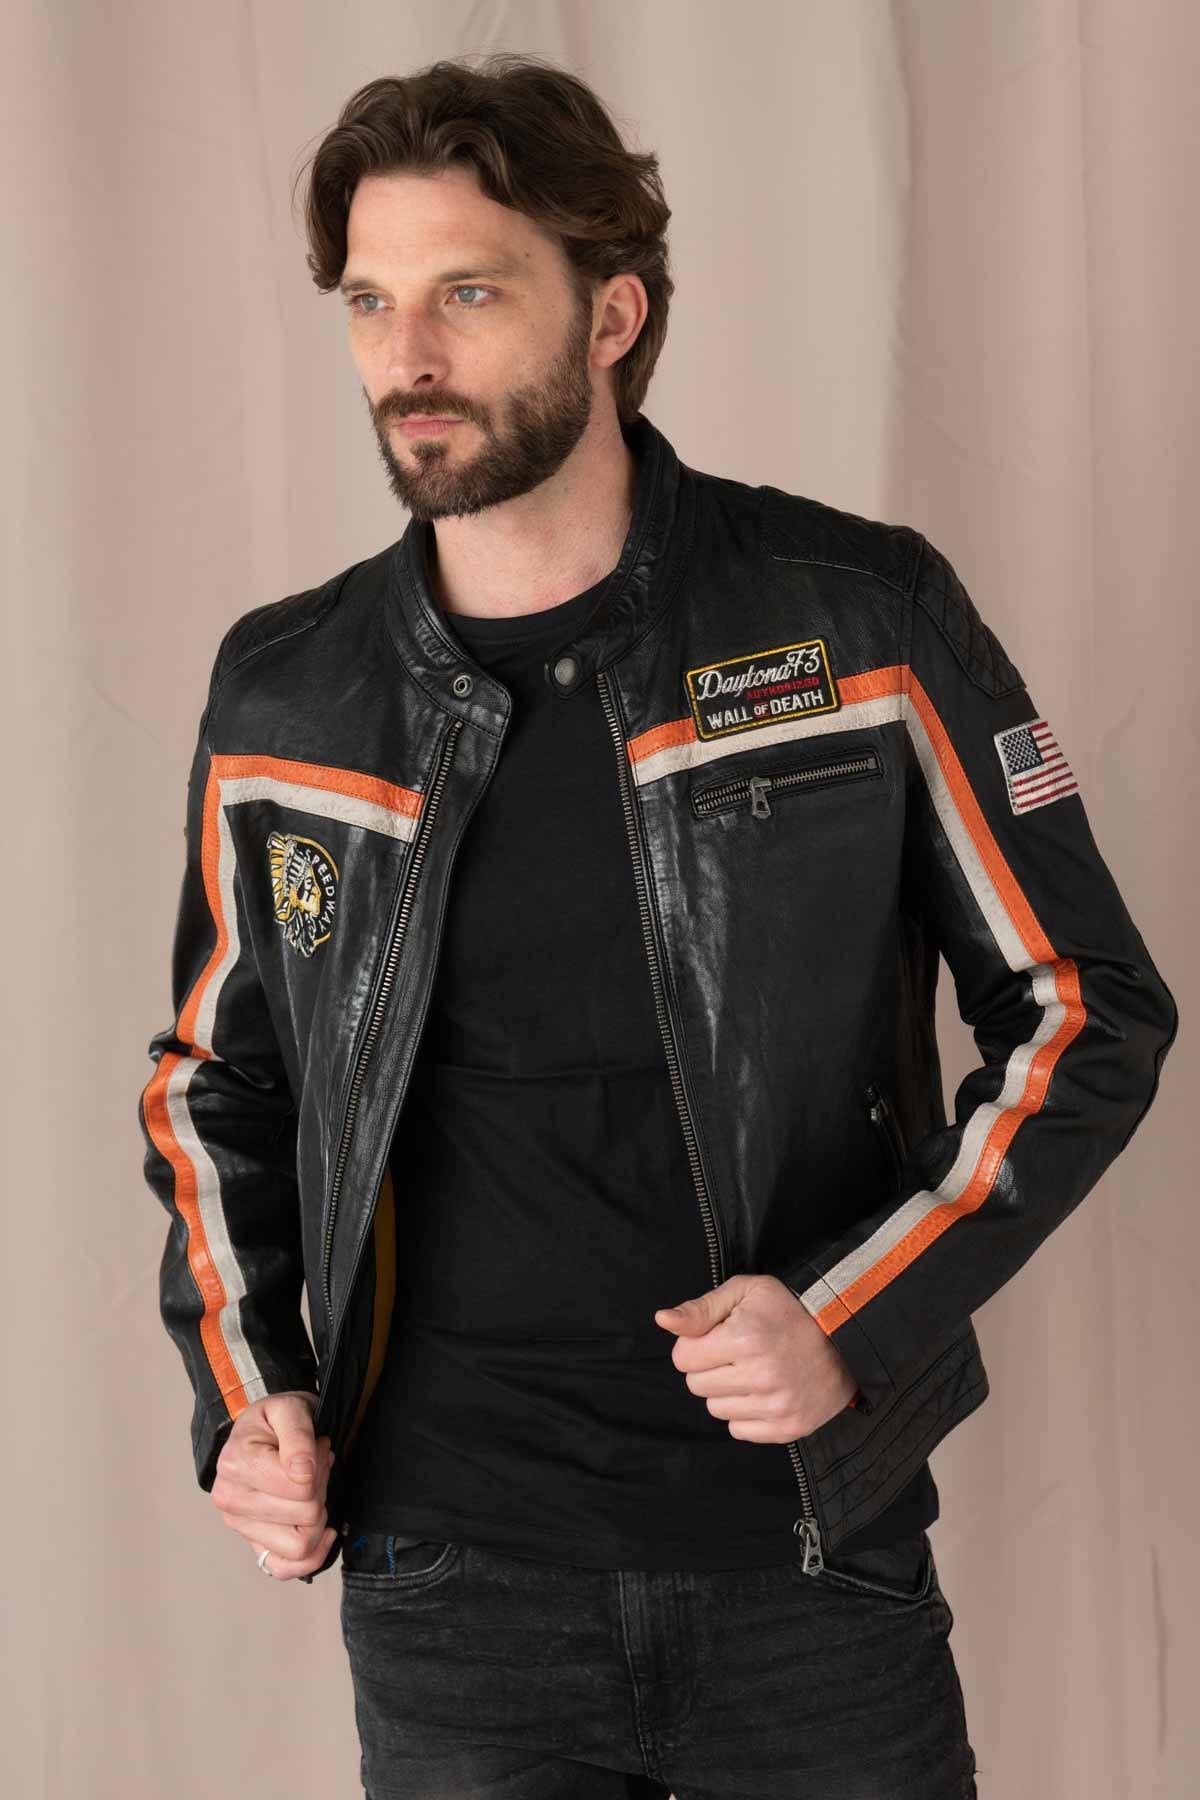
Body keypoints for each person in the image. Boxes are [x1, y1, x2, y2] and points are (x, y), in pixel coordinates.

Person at [137, 52, 1177, 1800]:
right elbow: (211, 1087)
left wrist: (846, 1316)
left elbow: (1085, 1006)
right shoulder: (290, 691)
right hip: (449, 1593)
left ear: (611, 315)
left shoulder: (857, 619)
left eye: (470, 294)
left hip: (804, 1567)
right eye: (372, 302)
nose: (407, 356)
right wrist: (255, 1401)